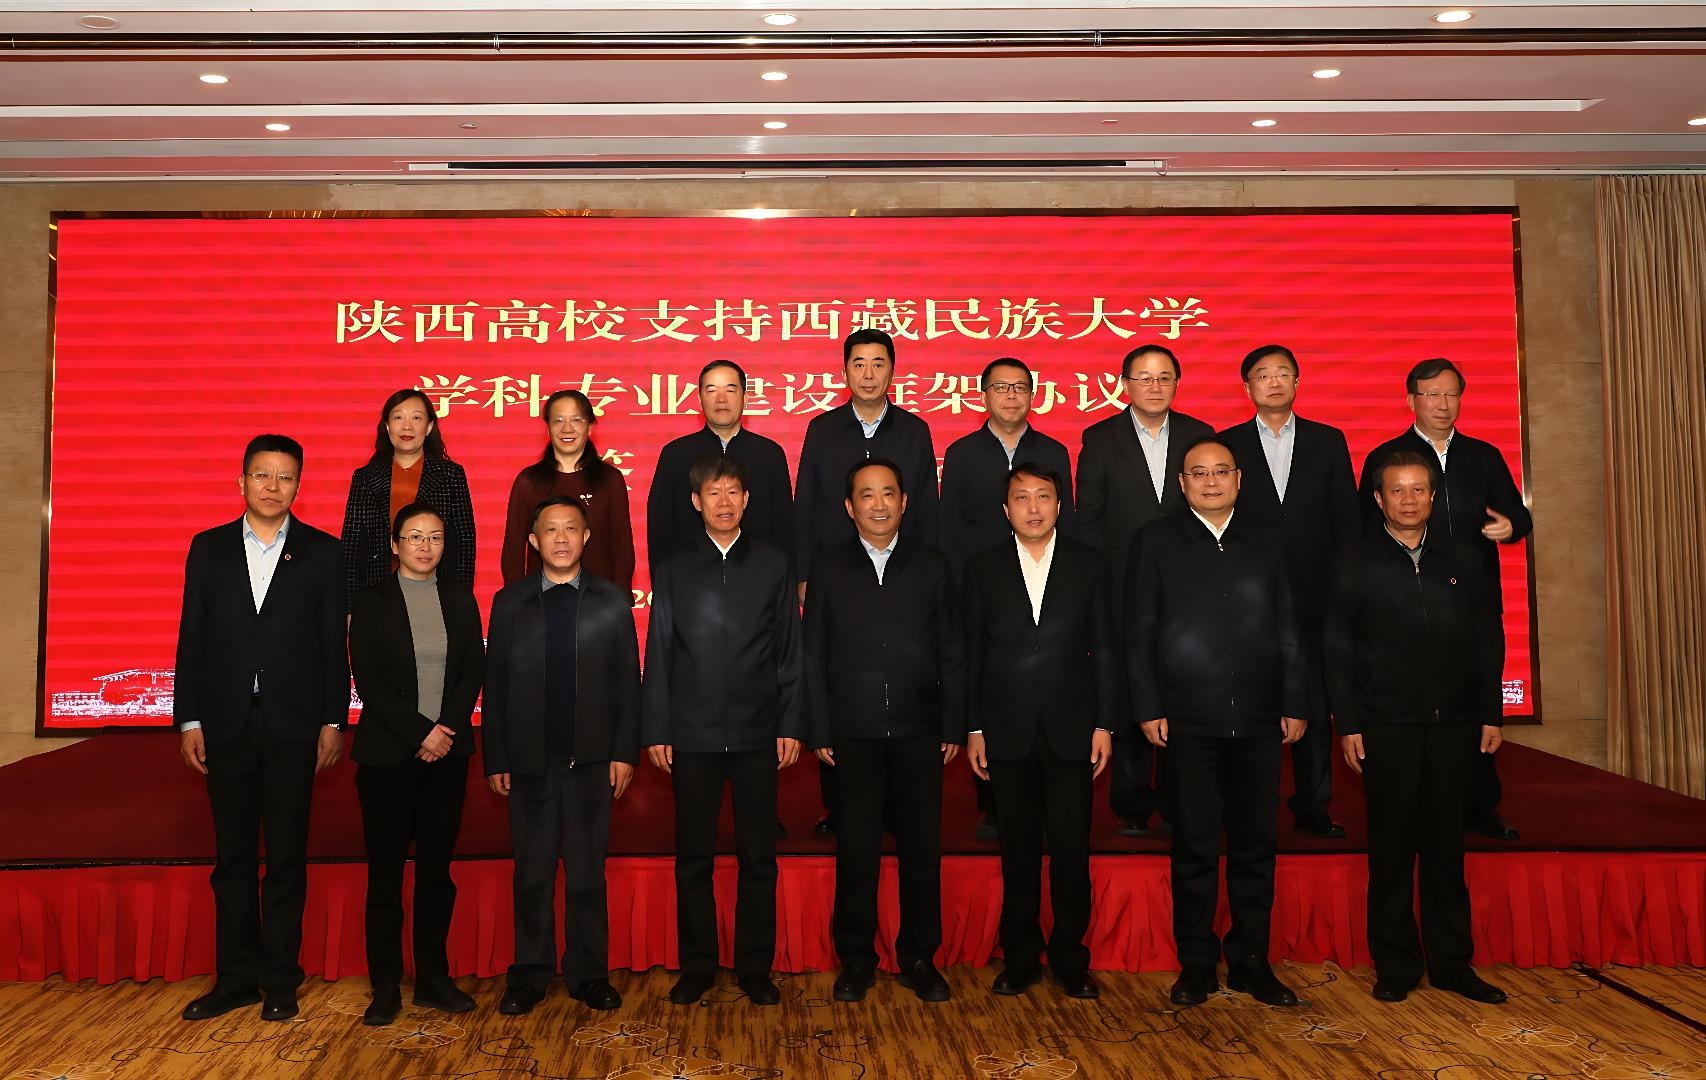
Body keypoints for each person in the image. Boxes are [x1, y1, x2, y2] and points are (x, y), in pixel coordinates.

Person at [1126, 436, 1307, 1009]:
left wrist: (1295, 700)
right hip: (1187, 721)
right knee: (1195, 847)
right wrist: (1148, 705)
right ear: (1182, 484)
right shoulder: (1156, 540)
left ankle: (1251, 960)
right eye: (1198, 473)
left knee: (1256, 846)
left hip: (1260, 718)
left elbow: (1290, 626)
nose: (1210, 482)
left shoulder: (1269, 540)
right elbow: (1139, 630)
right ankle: (1197, 963)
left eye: (1221, 471)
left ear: (1238, 479)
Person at [174, 434, 347, 1023]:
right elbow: (192, 637)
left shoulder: (322, 552)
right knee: (233, 860)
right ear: (242, 481)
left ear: (299, 485)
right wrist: (189, 717)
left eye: (285, 477)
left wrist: (333, 718)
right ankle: (234, 980)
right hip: (225, 723)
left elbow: (333, 644)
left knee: (287, 859)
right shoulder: (208, 548)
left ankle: (279, 979)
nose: (273, 486)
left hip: (294, 726)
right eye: (262, 475)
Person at [1328, 451, 1508, 1006]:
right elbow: (1336, 645)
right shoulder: (1353, 560)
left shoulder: (1464, 557)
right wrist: (1347, 720)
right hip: (1385, 725)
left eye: (1419, 490)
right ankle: (1396, 964)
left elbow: (1487, 635)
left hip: (1456, 723)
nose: (1409, 500)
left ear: (1433, 496)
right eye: (1397, 490)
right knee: (1391, 848)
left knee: (1446, 848)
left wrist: (1491, 711)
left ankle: (1452, 964)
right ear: (1378, 499)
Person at [642, 455, 804, 1007]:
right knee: (694, 858)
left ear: (747, 500)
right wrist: (657, 726)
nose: (725, 502)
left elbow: (788, 649)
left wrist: (790, 721)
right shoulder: (674, 567)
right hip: (693, 733)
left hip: (760, 731)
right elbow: (659, 651)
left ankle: (755, 967)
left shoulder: (774, 564)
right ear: (696, 502)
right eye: (714, 493)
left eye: (733, 492)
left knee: (759, 858)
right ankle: (698, 966)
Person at [805, 458, 964, 1004]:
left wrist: (953, 723)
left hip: (921, 731)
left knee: (921, 851)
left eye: (888, 493)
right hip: (852, 733)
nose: (878, 504)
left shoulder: (932, 565)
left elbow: (952, 649)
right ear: (849, 507)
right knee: (856, 853)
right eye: (867, 495)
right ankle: (856, 960)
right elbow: (813, 653)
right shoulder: (828, 568)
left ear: (904, 502)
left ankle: (919, 957)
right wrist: (818, 726)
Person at [1357, 358, 1533, 842]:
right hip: (1404, 599)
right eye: (1432, 394)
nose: (1442, 404)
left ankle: (1480, 805)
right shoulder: (1387, 457)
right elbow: (1365, 529)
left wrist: (1511, 525)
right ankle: (1414, 807)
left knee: (1475, 699)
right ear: (1411, 399)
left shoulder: (1482, 455)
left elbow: (1518, 513)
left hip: (1472, 598)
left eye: (1451, 394)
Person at [963, 465, 1115, 1001]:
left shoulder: (1090, 564)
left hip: (1073, 728)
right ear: (1005, 509)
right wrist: (973, 726)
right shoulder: (982, 568)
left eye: (1043, 497)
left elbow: (1106, 649)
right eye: (1021, 498)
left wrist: (1104, 722)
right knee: (1018, 852)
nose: (1033, 507)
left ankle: (1071, 959)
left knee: (1072, 852)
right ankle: (1021, 958)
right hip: (1004, 729)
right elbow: (971, 654)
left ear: (1059, 505)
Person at [483, 496, 641, 1015]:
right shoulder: (510, 602)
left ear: (586, 537)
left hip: (592, 761)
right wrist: (496, 757)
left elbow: (627, 682)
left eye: (571, 528)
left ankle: (589, 974)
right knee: (531, 874)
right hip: (530, 762)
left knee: (587, 875)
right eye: (550, 530)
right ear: (533, 541)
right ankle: (529, 975)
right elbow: (496, 684)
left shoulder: (611, 600)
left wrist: (624, 752)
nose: (560, 538)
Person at [795, 328, 940, 833]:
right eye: (859, 363)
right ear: (845, 371)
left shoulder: (915, 430)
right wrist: (804, 576)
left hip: (904, 574)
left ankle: (899, 805)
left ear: (893, 370)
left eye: (879, 363)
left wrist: (929, 574)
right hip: (838, 580)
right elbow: (806, 504)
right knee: (839, 681)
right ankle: (839, 806)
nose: (869, 373)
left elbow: (926, 506)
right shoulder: (822, 429)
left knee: (899, 674)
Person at [348, 502, 485, 1025]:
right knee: (385, 877)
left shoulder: (459, 596)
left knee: (435, 875)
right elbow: (369, 680)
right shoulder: (372, 600)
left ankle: (432, 979)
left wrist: (444, 728)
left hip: (446, 755)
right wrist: (419, 732)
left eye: (435, 537)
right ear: (395, 544)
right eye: (414, 536)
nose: (425, 546)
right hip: (387, 757)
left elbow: (473, 667)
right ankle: (385, 987)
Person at [1219, 346, 1359, 839]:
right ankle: (1244, 805)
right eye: (1263, 375)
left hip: (1316, 592)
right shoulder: (1226, 444)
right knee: (1248, 698)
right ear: (1247, 387)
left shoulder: (1328, 441)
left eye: (1283, 374)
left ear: (1298, 382)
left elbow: (1346, 519)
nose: (1274, 382)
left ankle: (1313, 803)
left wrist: (1346, 586)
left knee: (1314, 699)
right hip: (1248, 595)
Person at [1077, 343, 1213, 836]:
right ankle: (1132, 802)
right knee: (1130, 686)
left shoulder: (1201, 436)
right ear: (1125, 385)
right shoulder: (1100, 437)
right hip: (1121, 583)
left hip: (1188, 587)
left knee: (1182, 689)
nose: (1154, 386)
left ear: (1177, 383)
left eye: (1164, 377)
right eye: (1144, 378)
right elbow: (1089, 519)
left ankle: (1182, 801)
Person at [940, 357, 1076, 837]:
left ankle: (1048, 798)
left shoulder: (1053, 451)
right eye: (1001, 387)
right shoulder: (961, 453)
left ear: (1033, 395)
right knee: (989, 685)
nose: (1011, 395)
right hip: (983, 590)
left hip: (1045, 587)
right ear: (984, 395)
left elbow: (1068, 520)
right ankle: (993, 805)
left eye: (1020, 387)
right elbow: (950, 527)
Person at [646, 360, 795, 582]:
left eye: (730, 390)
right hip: (690, 581)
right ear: (700, 399)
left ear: (745, 397)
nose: (721, 399)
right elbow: (660, 526)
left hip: (758, 581)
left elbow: (784, 526)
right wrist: (663, 585)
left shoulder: (769, 454)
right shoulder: (675, 454)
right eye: (712, 390)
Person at [340, 388, 477, 606]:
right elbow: (351, 545)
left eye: (416, 418)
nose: (407, 426)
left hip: (437, 590)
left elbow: (464, 543)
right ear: (387, 426)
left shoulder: (451, 475)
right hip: (378, 590)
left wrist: (461, 601)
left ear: (429, 426)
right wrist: (350, 605)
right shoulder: (365, 477)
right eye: (398, 417)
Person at [500, 389, 635, 596]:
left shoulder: (610, 479)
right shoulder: (528, 481)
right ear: (548, 428)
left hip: (598, 599)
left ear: (590, 427)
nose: (567, 428)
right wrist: (515, 600)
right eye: (559, 420)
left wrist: (620, 601)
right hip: (541, 598)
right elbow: (513, 549)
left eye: (576, 420)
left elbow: (622, 545)